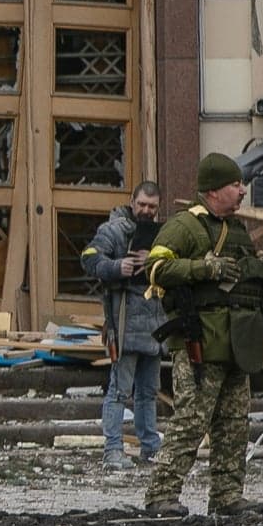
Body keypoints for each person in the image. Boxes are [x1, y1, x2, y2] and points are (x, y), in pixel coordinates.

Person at [143, 154, 263, 517]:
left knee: (235, 425)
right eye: (235, 185)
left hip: (238, 342)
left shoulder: (237, 229)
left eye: (241, 184)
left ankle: (226, 496)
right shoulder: (184, 226)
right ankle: (162, 495)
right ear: (212, 190)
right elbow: (155, 267)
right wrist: (203, 267)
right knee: (191, 420)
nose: (242, 191)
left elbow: (244, 282)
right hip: (200, 344)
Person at [82, 180, 166, 470]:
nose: (146, 210)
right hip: (125, 322)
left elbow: (176, 267)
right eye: (142, 204)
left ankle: (150, 446)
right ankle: (113, 449)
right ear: (132, 201)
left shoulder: (163, 235)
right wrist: (118, 267)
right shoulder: (114, 230)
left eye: (152, 207)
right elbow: (89, 258)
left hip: (155, 325)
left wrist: (155, 261)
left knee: (148, 392)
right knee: (119, 390)